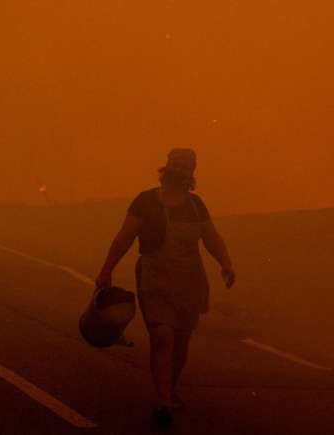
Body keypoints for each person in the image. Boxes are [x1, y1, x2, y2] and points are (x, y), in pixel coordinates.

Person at [95, 148, 235, 427]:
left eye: (186, 168)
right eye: (176, 167)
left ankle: (169, 390)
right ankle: (163, 402)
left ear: (190, 174)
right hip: (154, 280)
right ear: (167, 170)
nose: (180, 173)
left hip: (189, 283)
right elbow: (124, 237)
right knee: (162, 337)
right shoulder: (145, 202)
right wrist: (106, 269)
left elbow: (212, 238)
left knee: (180, 343)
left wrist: (226, 263)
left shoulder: (196, 205)